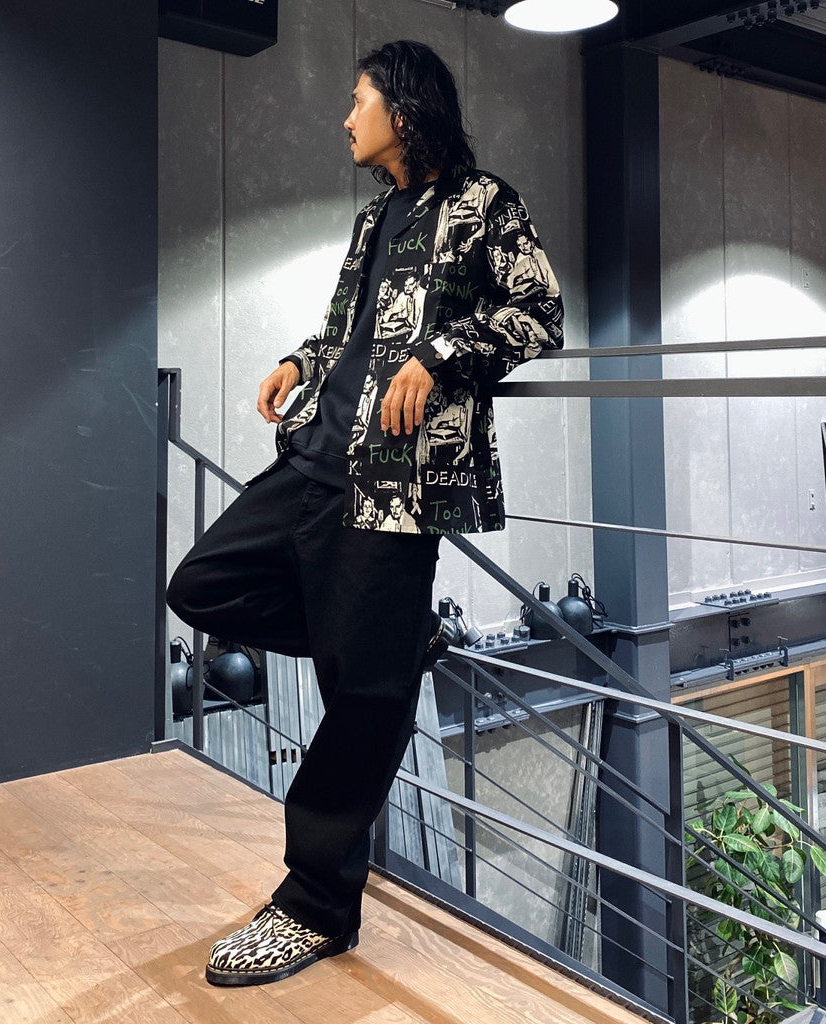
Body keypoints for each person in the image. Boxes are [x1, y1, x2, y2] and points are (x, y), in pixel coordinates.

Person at [166, 39, 563, 987]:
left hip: (399, 486)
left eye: (358, 101)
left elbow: (540, 312)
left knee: (361, 703)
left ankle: (314, 905)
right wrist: (300, 362)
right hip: (316, 457)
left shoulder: (484, 204)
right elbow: (345, 328)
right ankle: (390, 641)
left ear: (404, 110)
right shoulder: (373, 216)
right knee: (202, 584)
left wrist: (440, 356)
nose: (346, 118)